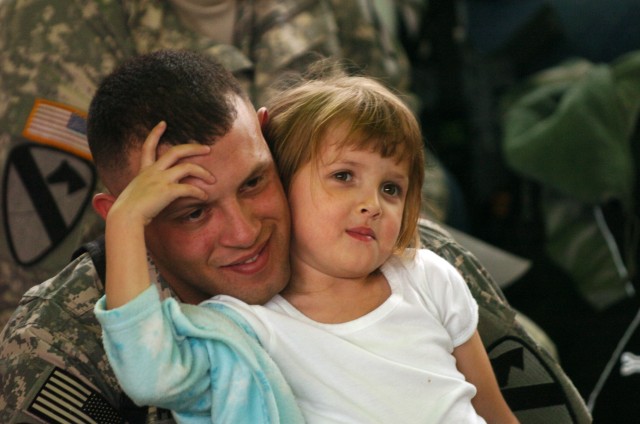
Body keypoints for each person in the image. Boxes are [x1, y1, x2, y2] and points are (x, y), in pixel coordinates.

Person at [95, 60, 518, 423]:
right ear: (288, 170)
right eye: (343, 177)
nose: (371, 204)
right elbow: (150, 373)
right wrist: (126, 223)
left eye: (391, 189)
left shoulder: (430, 276)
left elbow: (494, 411)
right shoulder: (241, 328)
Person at [0, 0, 422, 329]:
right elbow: (35, 245)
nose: (244, 231)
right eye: (195, 210)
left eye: (254, 181)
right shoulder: (46, 21)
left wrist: (387, 258)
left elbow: (395, 134)